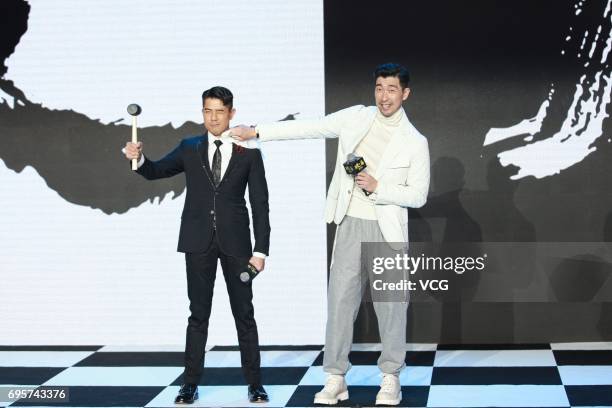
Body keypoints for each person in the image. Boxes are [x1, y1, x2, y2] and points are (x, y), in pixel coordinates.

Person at [231, 63, 430, 406]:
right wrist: (257, 131)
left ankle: (391, 378)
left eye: (392, 89)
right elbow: (312, 127)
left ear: (405, 93)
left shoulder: (415, 141)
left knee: (392, 306)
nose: (384, 96)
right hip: (350, 222)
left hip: (388, 231)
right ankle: (335, 377)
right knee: (340, 303)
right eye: (380, 87)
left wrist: (380, 187)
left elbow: (418, 195)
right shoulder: (357, 117)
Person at [123, 86, 270, 404]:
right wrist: (139, 158)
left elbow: (260, 203)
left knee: (244, 313)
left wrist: (260, 251)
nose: (213, 117)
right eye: (207, 110)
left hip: (238, 245)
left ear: (232, 113)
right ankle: (189, 383)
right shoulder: (189, 147)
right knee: (198, 314)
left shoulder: (250, 150)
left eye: (219, 111)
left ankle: (255, 383)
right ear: (202, 112)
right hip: (197, 242)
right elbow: (156, 171)